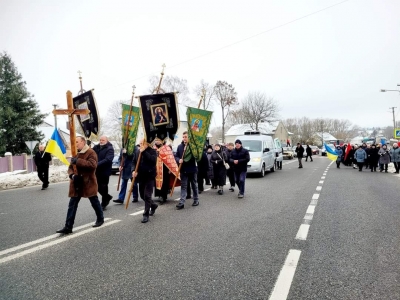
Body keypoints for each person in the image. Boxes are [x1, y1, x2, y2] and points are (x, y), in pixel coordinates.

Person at [56, 136, 104, 234]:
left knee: (94, 201)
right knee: (72, 205)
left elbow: (93, 165)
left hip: (88, 182)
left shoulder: (91, 152)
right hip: (76, 183)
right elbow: (70, 167)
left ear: (83, 142)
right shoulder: (75, 153)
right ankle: (68, 227)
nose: (75, 144)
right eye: (74, 142)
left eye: (77, 142)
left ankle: (100, 218)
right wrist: (72, 175)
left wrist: (78, 161)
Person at [131, 138, 158, 223]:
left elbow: (153, 161)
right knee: (142, 195)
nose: (140, 145)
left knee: (147, 195)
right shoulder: (137, 152)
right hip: (141, 176)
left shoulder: (152, 151)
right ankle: (153, 205)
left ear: (147, 144)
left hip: (150, 176)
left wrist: (144, 152)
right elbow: (134, 162)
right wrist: (133, 170)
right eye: (139, 143)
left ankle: (146, 214)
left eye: (142, 143)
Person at [175, 131, 199, 209]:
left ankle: (196, 200)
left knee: (194, 185)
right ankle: (182, 202)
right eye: (183, 137)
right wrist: (179, 160)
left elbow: (196, 156)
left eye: (186, 137)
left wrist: (185, 158)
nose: (184, 138)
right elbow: (176, 156)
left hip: (192, 169)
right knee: (184, 186)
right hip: (183, 170)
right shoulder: (179, 146)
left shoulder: (193, 146)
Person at [93, 136, 114, 210]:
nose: (101, 141)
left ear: (107, 140)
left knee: (104, 187)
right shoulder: (96, 147)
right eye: (100, 140)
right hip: (97, 171)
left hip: (105, 171)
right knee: (96, 186)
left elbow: (108, 159)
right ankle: (107, 197)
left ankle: (104, 202)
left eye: (103, 140)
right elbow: (91, 153)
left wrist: (97, 164)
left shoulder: (110, 148)